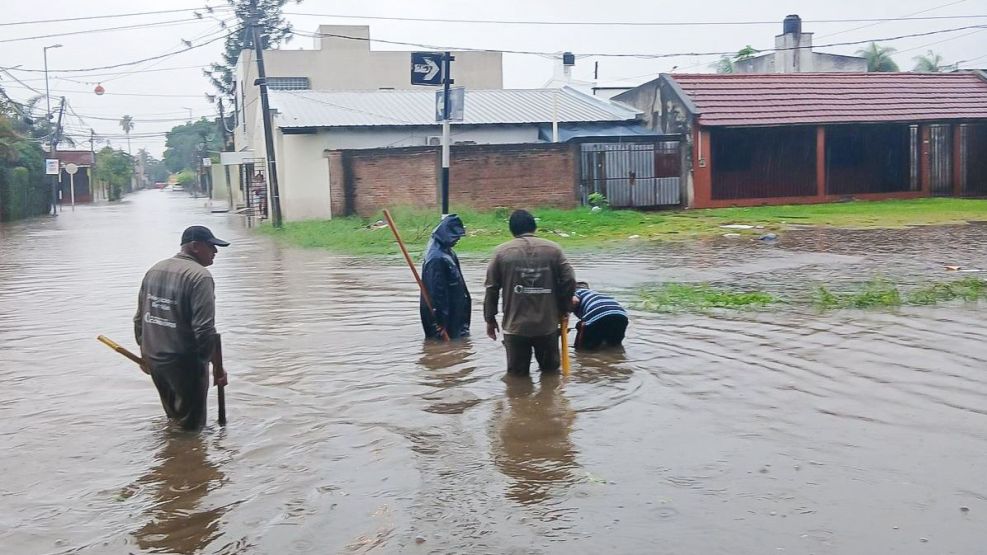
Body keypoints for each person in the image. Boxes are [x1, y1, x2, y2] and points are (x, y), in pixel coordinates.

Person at [134, 225, 229, 431]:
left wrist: (144, 353)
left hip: (156, 359)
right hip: (184, 364)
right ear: (195, 247)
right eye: (211, 246)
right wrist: (215, 366)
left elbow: (139, 319)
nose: (215, 252)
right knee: (192, 429)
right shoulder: (200, 277)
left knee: (175, 418)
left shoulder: (155, 269)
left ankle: (174, 456)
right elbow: (204, 330)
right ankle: (189, 460)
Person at [484, 209, 576, 376]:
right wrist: (564, 308)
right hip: (547, 326)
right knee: (551, 375)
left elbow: (491, 288)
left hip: (515, 327)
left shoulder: (501, 253)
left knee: (517, 379)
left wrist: (490, 319)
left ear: (512, 230)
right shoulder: (554, 250)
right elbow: (569, 279)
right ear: (534, 227)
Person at [420, 214, 471, 339]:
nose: (458, 239)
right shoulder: (436, 258)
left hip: (455, 315)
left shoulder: (446, 251)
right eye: (456, 236)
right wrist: (441, 321)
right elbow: (436, 293)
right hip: (445, 320)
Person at [571, 281, 628, 351]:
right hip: (621, 315)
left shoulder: (574, 292)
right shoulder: (594, 293)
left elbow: (574, 301)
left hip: (599, 313)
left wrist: (564, 312)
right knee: (614, 346)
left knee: (583, 349)